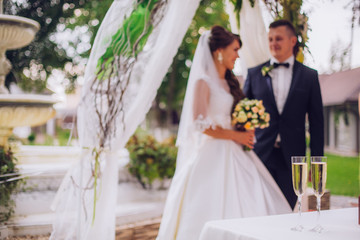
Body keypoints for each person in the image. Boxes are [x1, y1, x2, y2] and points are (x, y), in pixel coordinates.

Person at [156, 26, 291, 240]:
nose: (238, 55)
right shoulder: (203, 82)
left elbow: (232, 116)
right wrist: (235, 136)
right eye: (235, 50)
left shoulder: (231, 83)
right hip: (212, 153)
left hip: (237, 152)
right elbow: (200, 124)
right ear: (220, 51)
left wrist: (245, 126)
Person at [243, 19, 324, 209]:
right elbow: (243, 116)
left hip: (293, 159)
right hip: (261, 155)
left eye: (278, 39)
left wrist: (316, 161)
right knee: (259, 209)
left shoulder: (309, 76)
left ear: (292, 41)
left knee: (286, 209)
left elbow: (317, 122)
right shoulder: (254, 74)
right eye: (270, 39)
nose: (273, 44)